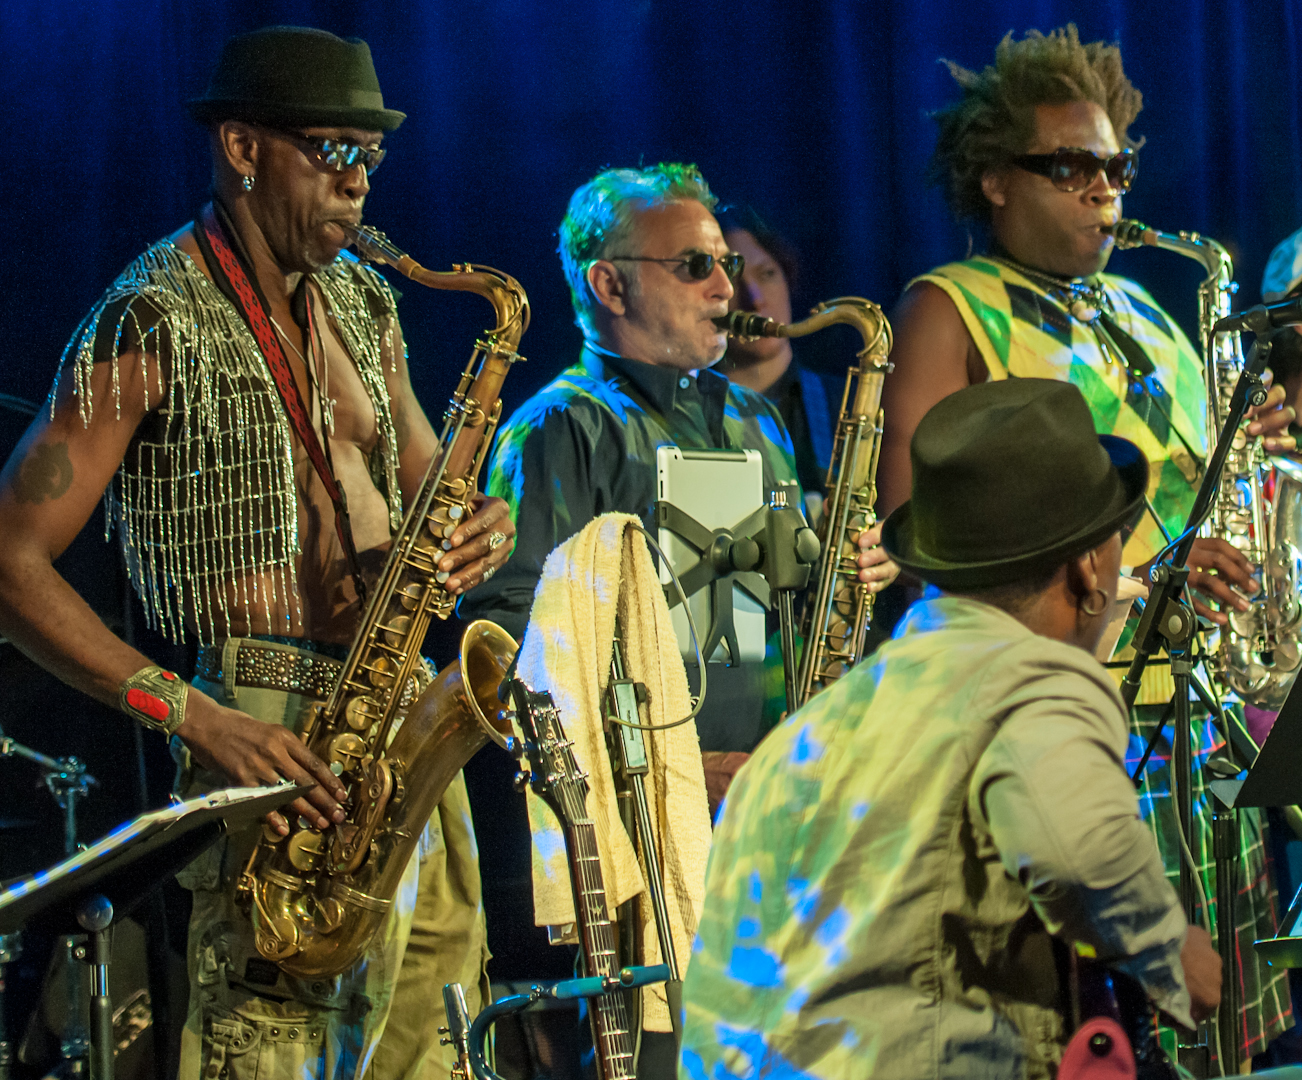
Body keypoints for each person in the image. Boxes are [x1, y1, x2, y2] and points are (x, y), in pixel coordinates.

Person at [0, 27, 515, 1080]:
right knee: (268, 1047)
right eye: (332, 149)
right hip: (257, 728)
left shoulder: (368, 304)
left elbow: (432, 484)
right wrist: (194, 716)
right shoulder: (147, 318)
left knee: (444, 1040)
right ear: (242, 146)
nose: (359, 181)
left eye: (373, 156)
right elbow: (8, 565)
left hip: (393, 712)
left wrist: (479, 526)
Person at [876, 25, 1295, 1066]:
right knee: (1124, 1035)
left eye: (1116, 166)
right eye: (1071, 166)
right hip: (1082, 716)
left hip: (1208, 716)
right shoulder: (948, 306)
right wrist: (1148, 578)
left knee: (1236, 1034)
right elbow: (915, 537)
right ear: (995, 182)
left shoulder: (1148, 310)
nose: (1106, 190)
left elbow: (1189, 495)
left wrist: (1246, 451)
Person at [679, 378, 1222, 1080]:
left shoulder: (810, 729)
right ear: (1090, 566)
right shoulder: (1032, 679)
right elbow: (1077, 853)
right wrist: (1170, 951)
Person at [460, 163, 805, 814]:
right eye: (696, 265)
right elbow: (513, 649)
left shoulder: (757, 420)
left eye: (726, 264)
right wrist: (662, 767)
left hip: (773, 794)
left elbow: (791, 597)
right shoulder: (560, 429)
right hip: (637, 816)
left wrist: (842, 563)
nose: (726, 288)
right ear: (610, 286)